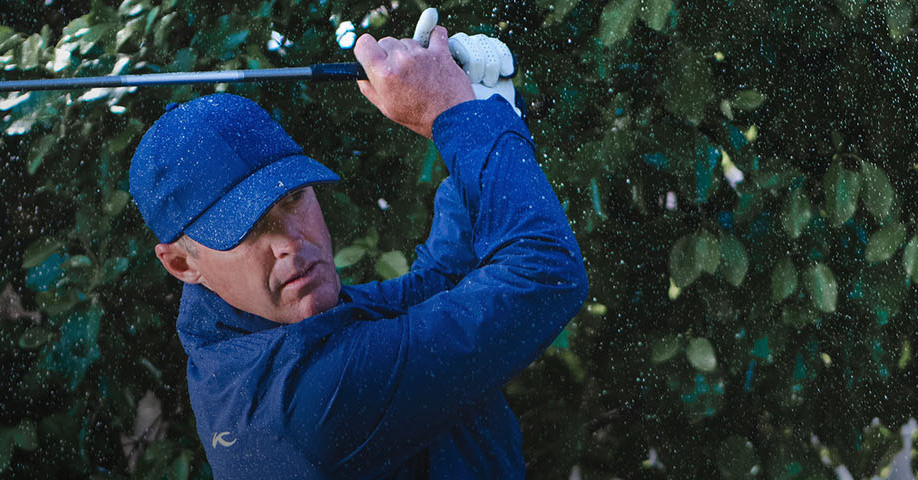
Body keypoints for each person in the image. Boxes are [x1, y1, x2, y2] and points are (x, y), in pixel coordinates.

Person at [124, 22, 585, 479]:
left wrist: (480, 109)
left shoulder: (256, 328)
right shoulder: (305, 405)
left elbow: (441, 284)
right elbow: (543, 275)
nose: (290, 243)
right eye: (245, 229)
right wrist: (455, 116)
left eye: (292, 199)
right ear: (182, 264)